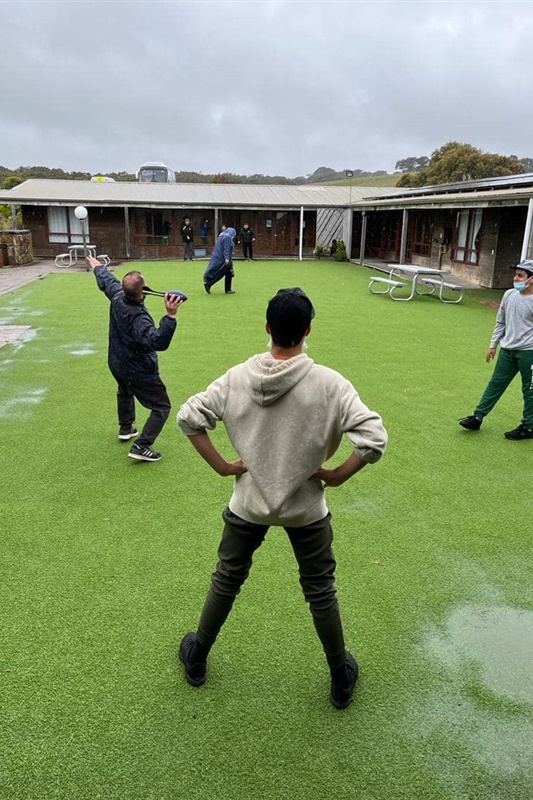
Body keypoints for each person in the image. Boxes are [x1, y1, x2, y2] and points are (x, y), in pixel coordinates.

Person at [177, 288, 387, 709]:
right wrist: (337, 476)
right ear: (308, 330)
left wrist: (222, 467)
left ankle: (197, 655)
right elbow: (374, 439)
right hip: (307, 507)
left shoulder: (237, 376)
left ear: (268, 327)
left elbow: (189, 417)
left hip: (248, 503)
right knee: (320, 590)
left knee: (227, 578)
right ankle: (339, 677)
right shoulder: (330, 384)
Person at [88, 255, 185, 462]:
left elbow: (107, 281)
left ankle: (126, 427)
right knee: (161, 406)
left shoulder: (117, 296)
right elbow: (159, 342)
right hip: (137, 369)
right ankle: (142, 445)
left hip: (116, 363)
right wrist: (170, 315)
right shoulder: (139, 318)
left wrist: (98, 267)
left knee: (124, 389)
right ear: (142, 291)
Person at [459, 259, 533, 440]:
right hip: (507, 350)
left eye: (520, 275)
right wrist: (493, 345)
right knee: (495, 384)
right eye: (516, 274)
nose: (515, 278)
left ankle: (528, 427)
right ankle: (477, 417)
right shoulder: (509, 295)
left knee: (529, 390)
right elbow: (501, 322)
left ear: (531, 279)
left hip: (529, 353)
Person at [203, 227, 236, 295]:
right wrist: (227, 258)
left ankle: (228, 289)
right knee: (222, 273)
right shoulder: (227, 237)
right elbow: (226, 248)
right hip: (225, 259)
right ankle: (209, 284)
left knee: (228, 273)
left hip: (220, 257)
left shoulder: (221, 236)